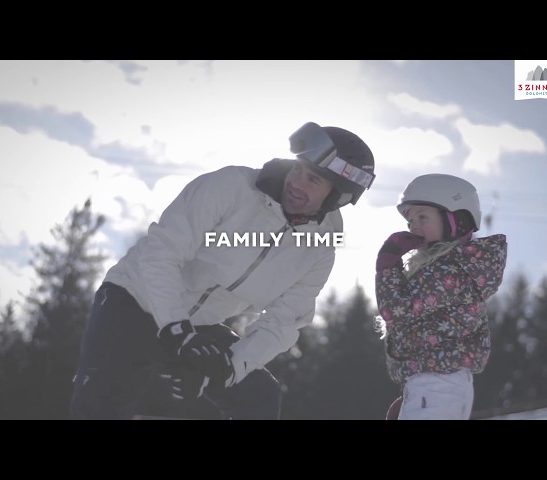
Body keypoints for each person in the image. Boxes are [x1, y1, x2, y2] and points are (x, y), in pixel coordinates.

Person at [70, 121, 376, 420]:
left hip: (199, 326)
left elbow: (283, 322)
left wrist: (228, 369)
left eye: (314, 181)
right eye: (299, 169)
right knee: (102, 408)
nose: (297, 183)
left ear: (337, 196)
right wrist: (177, 330)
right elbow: (160, 254)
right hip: (133, 300)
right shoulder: (230, 187)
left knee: (259, 397)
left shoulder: (320, 248)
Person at [374, 173, 507, 420]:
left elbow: (395, 309)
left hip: (437, 383)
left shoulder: (450, 270)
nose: (414, 226)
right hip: (433, 382)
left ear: (455, 220)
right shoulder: (445, 267)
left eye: (422, 216)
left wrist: (388, 264)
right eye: (410, 220)